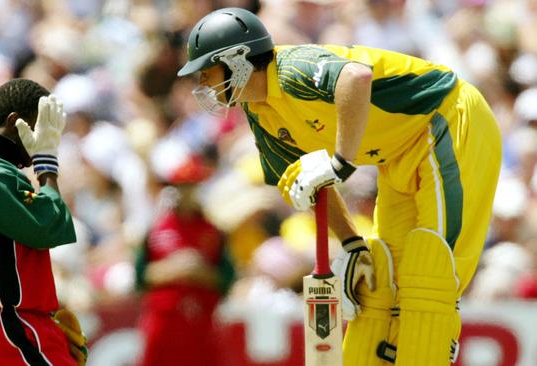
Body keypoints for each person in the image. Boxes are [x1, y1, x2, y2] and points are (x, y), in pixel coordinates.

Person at [177, 7, 501, 366]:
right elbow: (307, 186)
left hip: (447, 120)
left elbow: (356, 78)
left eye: (207, 72)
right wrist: (350, 243)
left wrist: (340, 162)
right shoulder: (260, 113)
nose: (203, 85)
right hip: (396, 154)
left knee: (430, 267)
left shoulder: (290, 68)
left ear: (237, 60)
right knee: (381, 276)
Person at [0, 78, 87, 365]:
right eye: (40, 126)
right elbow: (49, 226)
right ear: (15, 122)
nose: (44, 137)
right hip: (10, 324)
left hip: (14, 323)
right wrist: (46, 163)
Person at [134, 155, 235, 366]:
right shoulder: (156, 229)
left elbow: (227, 279)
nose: (185, 193)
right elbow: (140, 277)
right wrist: (174, 269)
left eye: (191, 187)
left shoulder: (213, 232)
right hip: (164, 321)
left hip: (201, 322)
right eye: (180, 187)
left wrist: (199, 271)